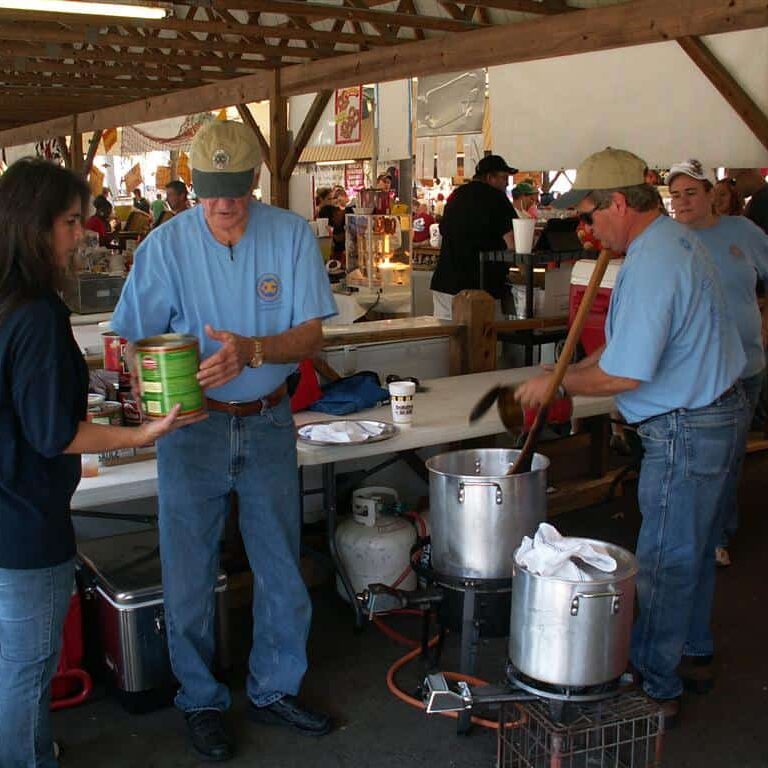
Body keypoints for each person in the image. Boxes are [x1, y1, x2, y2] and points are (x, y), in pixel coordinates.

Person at [111, 120, 338, 762]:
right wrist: (149, 382)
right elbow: (132, 339)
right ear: (195, 185)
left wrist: (254, 350)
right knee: (187, 573)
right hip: (192, 429)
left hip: (268, 420)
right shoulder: (163, 246)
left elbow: (312, 335)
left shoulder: (291, 236)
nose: (223, 205)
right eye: (211, 191)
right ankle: (201, 699)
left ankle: (274, 687)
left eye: (235, 190)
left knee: (279, 565)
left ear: (254, 184)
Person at [514, 147, 746, 728]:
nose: (587, 229)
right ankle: (689, 652)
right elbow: (622, 353)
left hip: (687, 426)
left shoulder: (654, 260)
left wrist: (557, 386)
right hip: (712, 414)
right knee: (689, 549)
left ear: (619, 203)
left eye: (589, 216)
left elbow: (625, 373)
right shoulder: (669, 243)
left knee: (666, 558)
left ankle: (650, 686)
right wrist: (565, 374)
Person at [0, 158, 182, 768]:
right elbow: (55, 434)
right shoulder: (37, 313)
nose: (83, 234)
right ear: (35, 226)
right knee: (27, 671)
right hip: (27, 524)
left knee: (9, 663)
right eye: (72, 222)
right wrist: (145, 432)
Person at [668, 159, 768, 569]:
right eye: (675, 194)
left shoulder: (743, 233)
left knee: (729, 458)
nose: (683, 201)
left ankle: (718, 532)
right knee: (696, 457)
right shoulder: (668, 241)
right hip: (694, 369)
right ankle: (693, 534)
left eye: (691, 192)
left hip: (745, 364)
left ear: (713, 195)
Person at [429, 154, 518, 320]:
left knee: (448, 340)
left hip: (446, 283)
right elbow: (513, 242)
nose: (507, 183)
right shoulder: (498, 198)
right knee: (485, 341)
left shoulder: (456, 195)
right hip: (482, 288)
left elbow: (444, 230)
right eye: (504, 178)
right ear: (490, 177)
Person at [729, 168, 768, 234]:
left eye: (733, 181)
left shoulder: (762, 201)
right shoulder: (756, 200)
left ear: (747, 172)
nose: (734, 188)